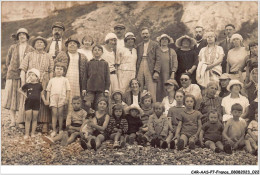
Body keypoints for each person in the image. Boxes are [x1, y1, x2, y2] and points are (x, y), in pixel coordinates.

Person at [20, 36, 54, 133]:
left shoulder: (48, 56)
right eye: (37, 42)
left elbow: (51, 70)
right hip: (31, 80)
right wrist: (23, 82)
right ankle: (26, 122)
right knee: (29, 99)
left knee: (43, 100)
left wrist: (50, 82)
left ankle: (44, 123)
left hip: (45, 79)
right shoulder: (29, 55)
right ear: (34, 45)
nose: (39, 44)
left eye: (41, 42)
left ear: (44, 45)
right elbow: (23, 68)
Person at [3, 28, 34, 128]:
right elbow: (8, 61)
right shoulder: (13, 47)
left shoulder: (31, 49)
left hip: (25, 76)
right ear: (17, 37)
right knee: (12, 97)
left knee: (23, 98)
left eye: (24, 34)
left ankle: (21, 121)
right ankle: (12, 120)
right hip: (13, 75)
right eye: (20, 35)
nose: (22, 36)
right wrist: (12, 70)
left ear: (27, 37)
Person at [55, 36, 88, 113]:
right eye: (70, 43)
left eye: (74, 43)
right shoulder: (61, 54)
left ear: (77, 46)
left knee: (76, 98)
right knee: (64, 96)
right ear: (67, 45)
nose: (72, 45)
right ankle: (63, 119)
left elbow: (86, 70)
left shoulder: (83, 56)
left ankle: (75, 118)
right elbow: (55, 66)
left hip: (77, 81)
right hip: (65, 79)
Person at [136, 27, 161, 102]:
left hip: (150, 66)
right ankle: (140, 105)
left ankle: (153, 107)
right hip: (140, 64)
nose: (145, 35)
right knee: (139, 85)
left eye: (146, 33)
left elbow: (158, 59)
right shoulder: (139, 46)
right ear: (141, 35)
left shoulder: (155, 45)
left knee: (151, 87)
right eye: (143, 34)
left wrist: (156, 71)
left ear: (149, 34)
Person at [83, 45, 110, 111]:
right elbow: (85, 76)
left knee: (99, 105)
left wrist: (106, 89)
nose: (97, 52)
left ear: (102, 52)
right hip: (90, 88)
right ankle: (89, 118)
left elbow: (107, 77)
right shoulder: (89, 63)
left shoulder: (105, 63)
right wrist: (84, 89)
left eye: (99, 50)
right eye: (95, 50)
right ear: (92, 52)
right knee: (88, 104)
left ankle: (97, 119)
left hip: (101, 89)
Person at [46, 63, 71, 137]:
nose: (59, 70)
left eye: (61, 69)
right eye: (57, 68)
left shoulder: (65, 79)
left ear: (63, 71)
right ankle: (54, 130)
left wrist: (67, 99)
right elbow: (48, 90)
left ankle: (60, 129)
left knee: (60, 114)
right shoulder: (52, 80)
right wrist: (48, 99)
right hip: (53, 98)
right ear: (54, 70)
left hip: (62, 98)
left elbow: (68, 90)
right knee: (54, 114)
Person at [19, 69, 43, 139]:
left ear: (37, 77)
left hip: (37, 104)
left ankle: (32, 133)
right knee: (28, 118)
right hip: (28, 103)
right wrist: (25, 95)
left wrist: (45, 101)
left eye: (33, 75)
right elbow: (19, 90)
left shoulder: (39, 85)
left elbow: (42, 95)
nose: (31, 76)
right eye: (30, 75)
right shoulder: (27, 85)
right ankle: (26, 134)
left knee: (35, 119)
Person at [156, 34, 178, 102]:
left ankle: (167, 104)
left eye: (166, 39)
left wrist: (173, 72)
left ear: (168, 41)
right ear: (160, 41)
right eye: (163, 39)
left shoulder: (172, 51)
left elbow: (175, 62)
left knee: (167, 88)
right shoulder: (157, 50)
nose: (164, 41)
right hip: (158, 73)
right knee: (158, 89)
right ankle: (159, 105)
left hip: (168, 73)